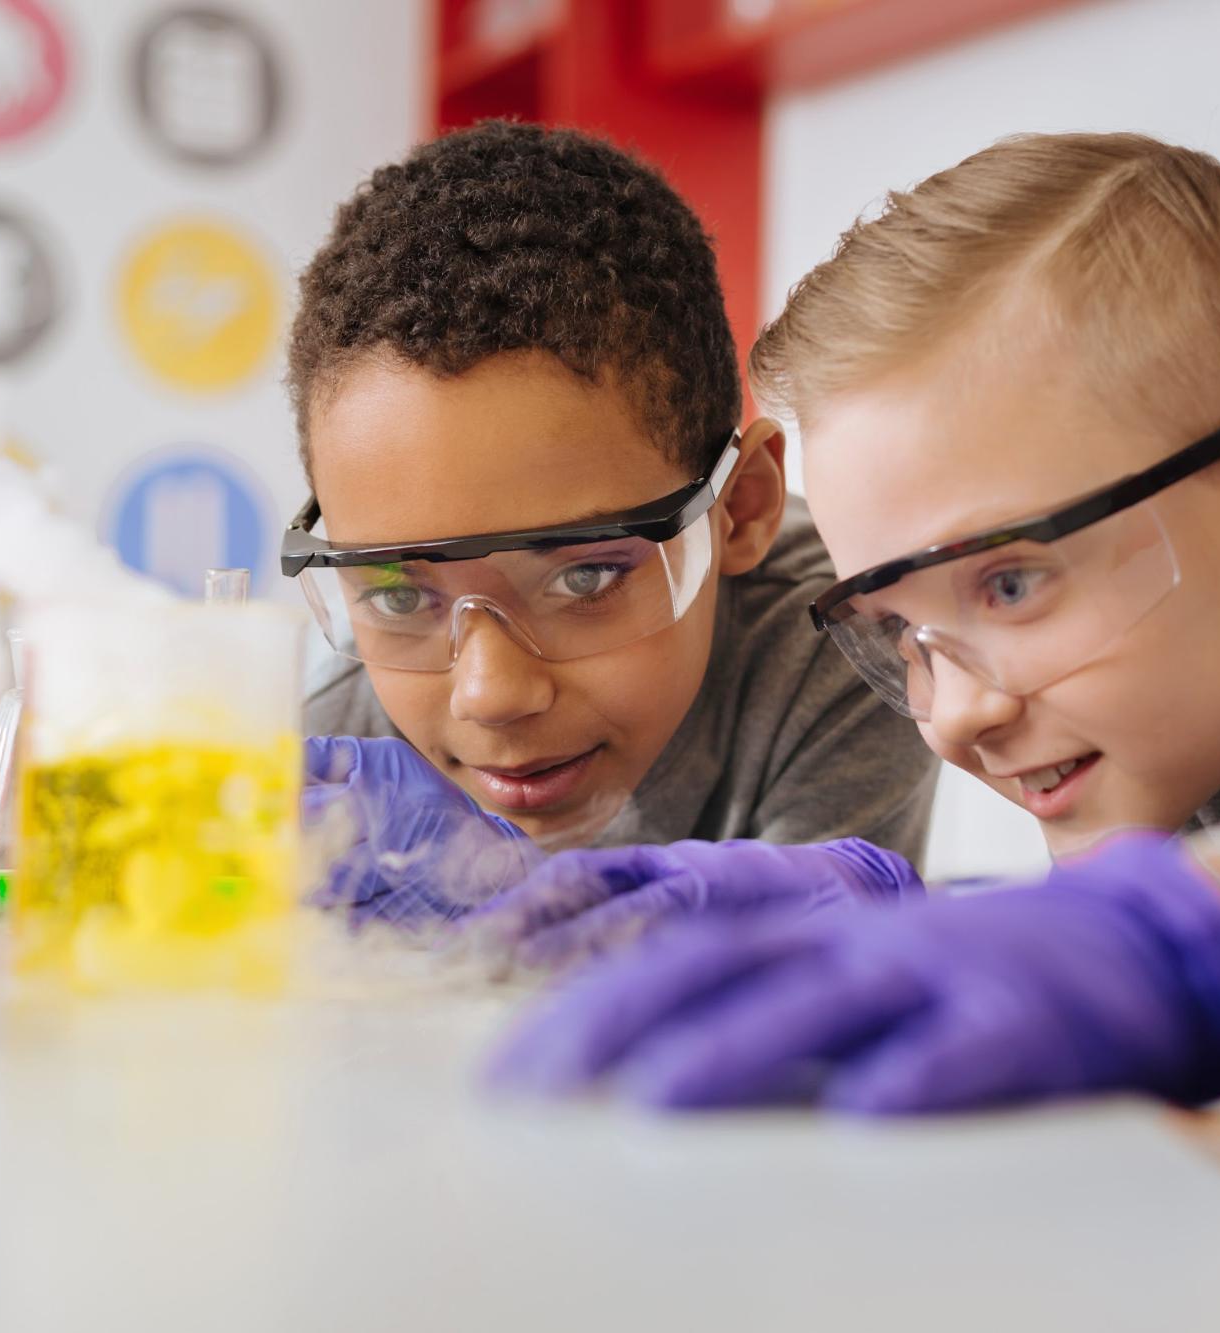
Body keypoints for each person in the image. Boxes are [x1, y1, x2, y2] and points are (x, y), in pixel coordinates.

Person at [484, 132, 1220, 1129]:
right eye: (899, 630)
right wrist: (912, 921)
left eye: (1008, 585)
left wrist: (1190, 937)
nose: (955, 716)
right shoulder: (1212, 712)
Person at [282, 121, 936, 925]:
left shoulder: (842, 658)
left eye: (583, 575)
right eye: (395, 593)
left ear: (741, 508)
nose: (491, 696)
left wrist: (494, 903)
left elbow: (797, 1016)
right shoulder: (346, 739)